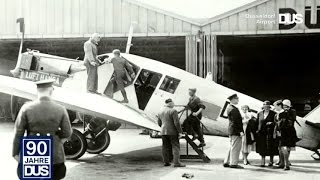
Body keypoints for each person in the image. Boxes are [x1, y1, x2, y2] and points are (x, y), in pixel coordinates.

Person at [12, 79, 73, 180]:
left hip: (32, 152)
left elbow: (18, 133)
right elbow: (67, 132)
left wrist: (15, 153)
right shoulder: (60, 109)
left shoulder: (26, 108)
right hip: (54, 154)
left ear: (37, 91)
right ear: (51, 91)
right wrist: (57, 140)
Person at [157, 98, 186, 167]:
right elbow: (176, 123)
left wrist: (163, 128)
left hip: (163, 131)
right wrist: (180, 132)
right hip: (172, 132)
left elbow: (159, 122)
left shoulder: (160, 111)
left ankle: (166, 162)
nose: (174, 104)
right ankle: (176, 163)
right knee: (176, 146)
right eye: (173, 103)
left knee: (165, 147)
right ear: (170, 103)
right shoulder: (173, 111)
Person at [223, 94, 244, 169]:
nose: (238, 100)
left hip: (232, 130)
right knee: (235, 147)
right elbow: (236, 122)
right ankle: (234, 163)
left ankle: (227, 161)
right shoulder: (234, 109)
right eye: (237, 98)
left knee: (231, 146)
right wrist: (240, 131)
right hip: (235, 130)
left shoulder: (229, 107)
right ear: (233, 99)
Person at [277, 99, 299, 170]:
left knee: (284, 148)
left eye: (286, 106)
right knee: (285, 148)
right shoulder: (292, 112)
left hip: (286, 132)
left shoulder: (286, 112)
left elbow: (287, 121)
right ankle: (284, 163)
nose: (285, 107)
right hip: (288, 132)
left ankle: (285, 164)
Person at [256, 101, 278, 167]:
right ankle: (263, 161)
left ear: (269, 107)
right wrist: (257, 130)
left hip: (270, 133)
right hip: (262, 133)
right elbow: (257, 122)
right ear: (263, 106)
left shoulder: (274, 113)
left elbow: (276, 123)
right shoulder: (260, 113)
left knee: (271, 147)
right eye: (265, 106)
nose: (266, 107)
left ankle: (271, 161)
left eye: (267, 106)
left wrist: (272, 123)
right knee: (262, 147)